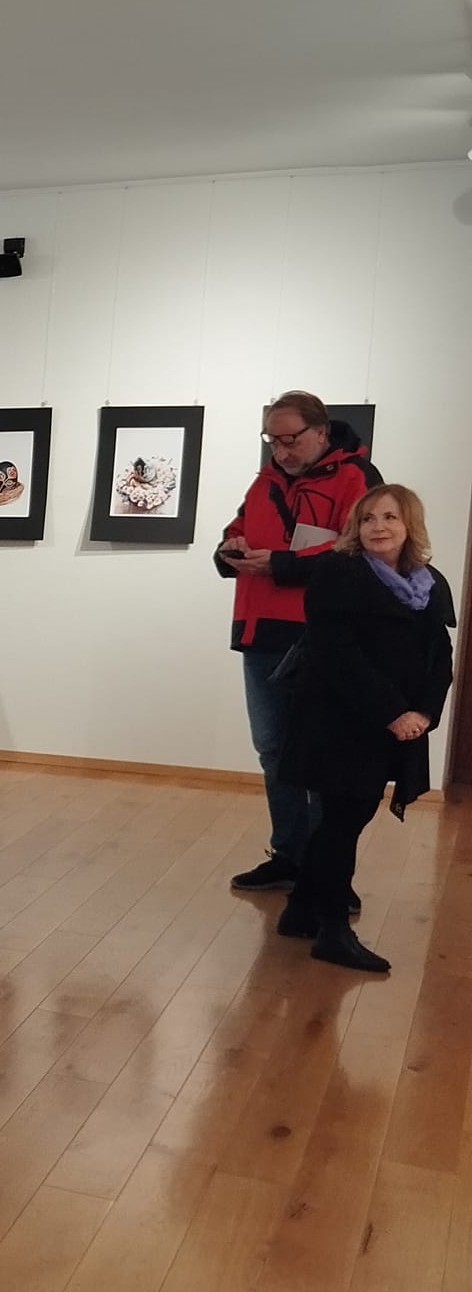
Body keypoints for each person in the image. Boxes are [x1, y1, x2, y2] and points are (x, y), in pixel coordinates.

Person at [276, 485, 454, 973]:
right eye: (369, 518)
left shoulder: (428, 582)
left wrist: (425, 713)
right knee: (343, 818)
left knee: (346, 817)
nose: (379, 527)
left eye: (390, 517)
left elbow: (440, 655)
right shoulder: (338, 572)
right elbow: (338, 654)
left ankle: (300, 910)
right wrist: (394, 712)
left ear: (409, 525)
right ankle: (333, 931)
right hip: (339, 721)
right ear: (356, 526)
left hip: (395, 723)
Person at [216, 391, 380, 895]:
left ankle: (327, 873)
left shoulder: (357, 478)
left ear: (322, 432)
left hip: (322, 637)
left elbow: (358, 549)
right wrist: (230, 549)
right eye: (273, 440)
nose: (281, 450)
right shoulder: (265, 481)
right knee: (274, 751)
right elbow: (237, 529)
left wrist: (282, 564)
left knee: (324, 757)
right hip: (261, 632)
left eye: (291, 439)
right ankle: (289, 855)